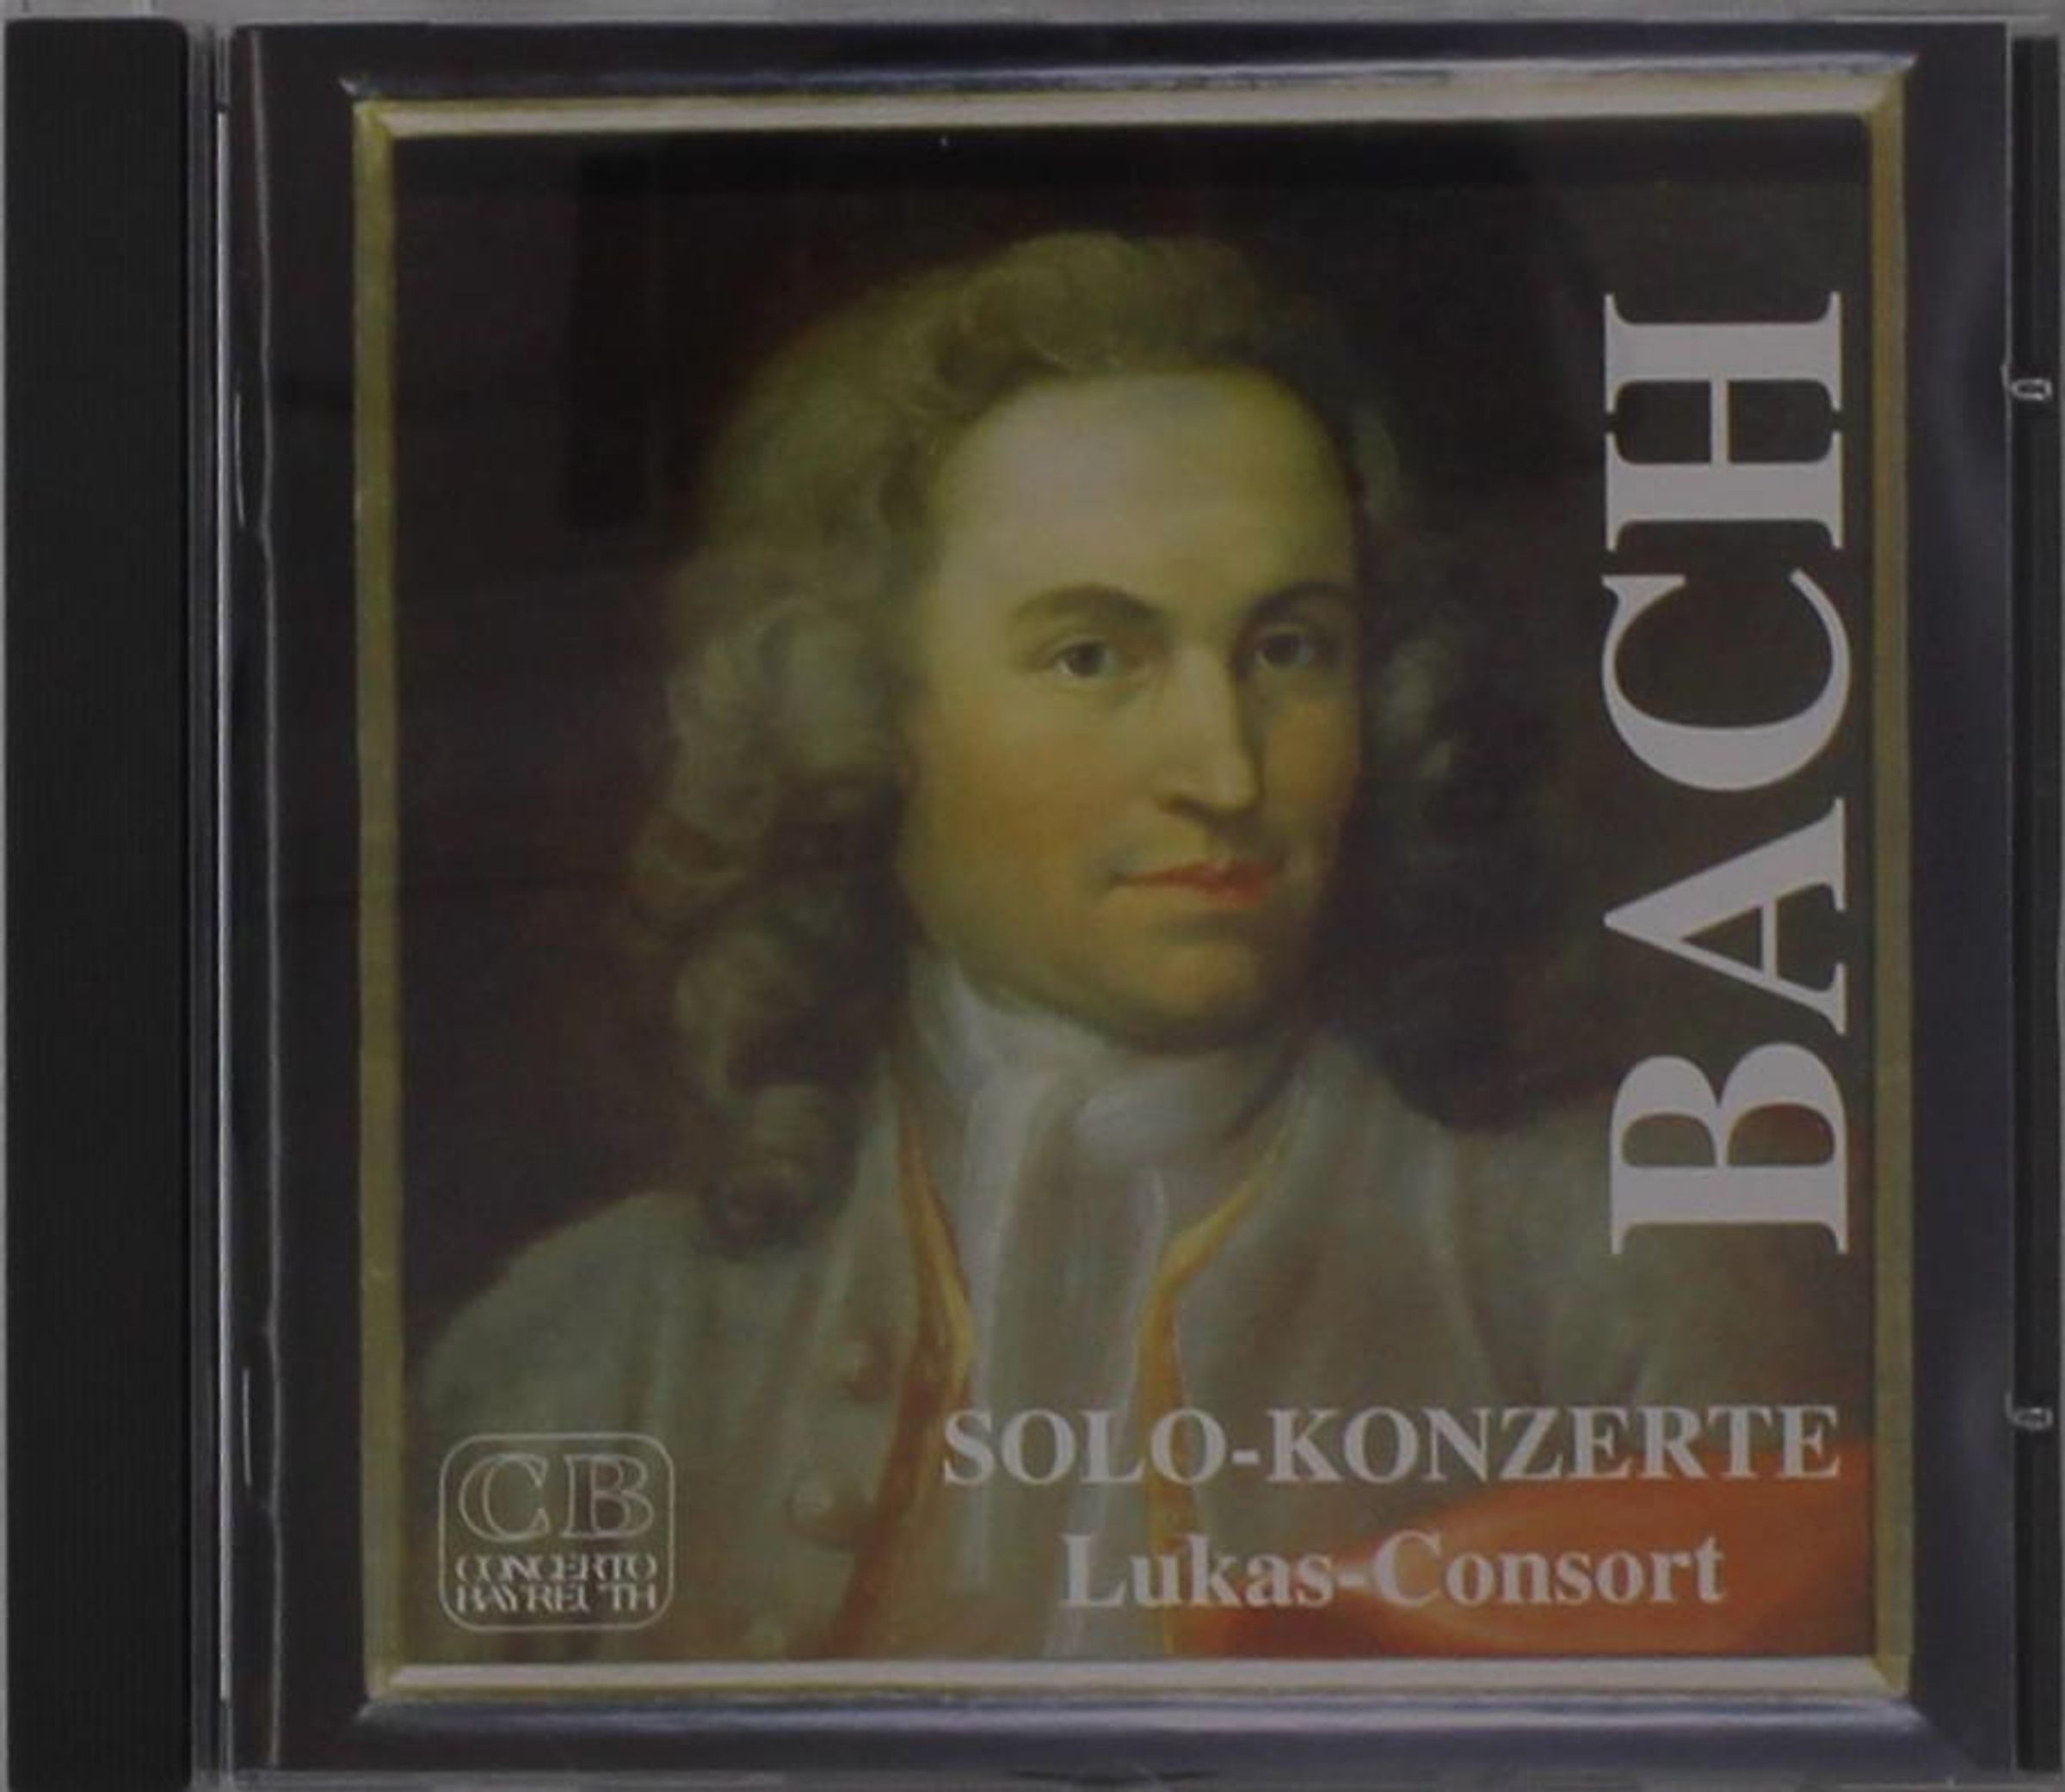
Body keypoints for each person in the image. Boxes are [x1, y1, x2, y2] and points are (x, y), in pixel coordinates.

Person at [415, 232, 1869, 1666]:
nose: (1225, 770)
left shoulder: (1618, 1268)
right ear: (866, 711)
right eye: (1094, 656)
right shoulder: (587, 1348)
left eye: (1289, 648)